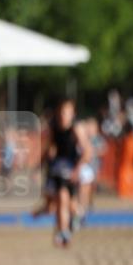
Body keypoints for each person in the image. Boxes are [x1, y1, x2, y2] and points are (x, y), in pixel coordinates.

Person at [41, 98, 92, 247]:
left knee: (70, 204)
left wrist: (77, 170)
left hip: (73, 169)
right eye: (61, 112)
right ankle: (63, 232)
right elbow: (49, 148)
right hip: (58, 169)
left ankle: (77, 216)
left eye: (66, 112)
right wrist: (39, 165)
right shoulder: (54, 128)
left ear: (72, 114)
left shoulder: (76, 129)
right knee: (61, 199)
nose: (63, 115)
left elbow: (87, 151)